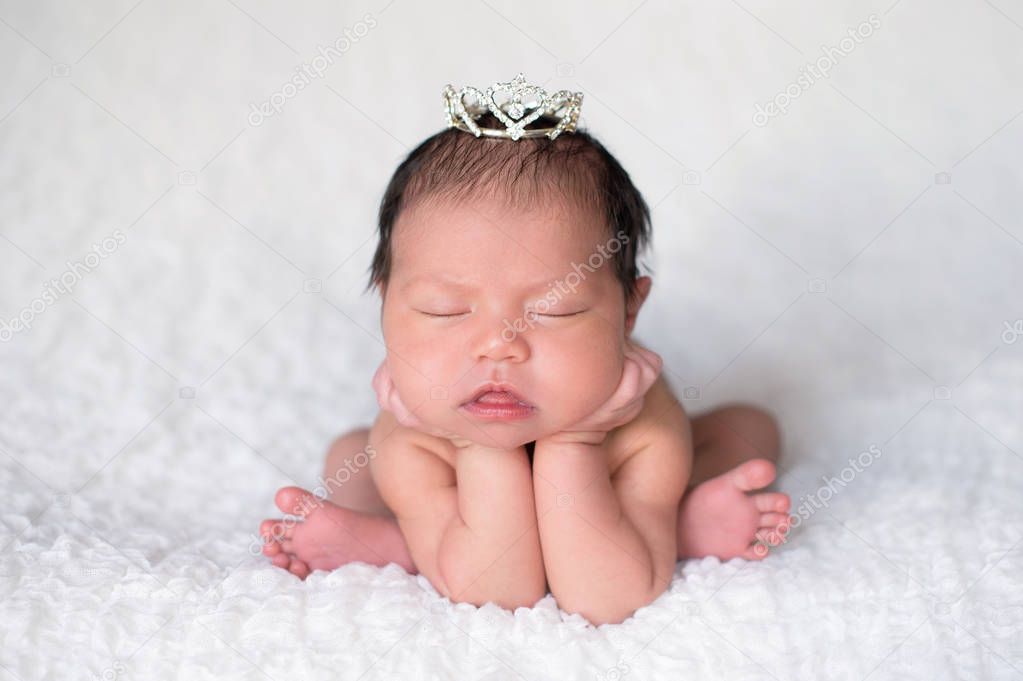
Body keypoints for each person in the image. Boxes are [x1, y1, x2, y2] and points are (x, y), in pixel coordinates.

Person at [260, 74, 790, 625]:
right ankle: (402, 539)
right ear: (385, 303)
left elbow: (608, 599)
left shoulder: (644, 427)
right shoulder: (414, 436)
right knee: (353, 456)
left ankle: (664, 520)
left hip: (608, 461)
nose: (498, 346)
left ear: (629, 311)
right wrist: (475, 446)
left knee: (749, 428)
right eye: (445, 310)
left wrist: (579, 441)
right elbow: (498, 592)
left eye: (555, 310)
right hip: (451, 478)